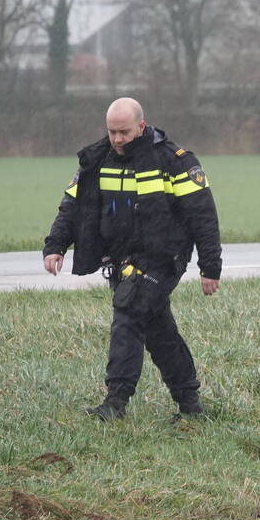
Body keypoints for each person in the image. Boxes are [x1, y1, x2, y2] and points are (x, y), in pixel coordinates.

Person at [43, 97, 222, 419]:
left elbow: (203, 217)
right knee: (158, 330)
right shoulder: (97, 159)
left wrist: (210, 267)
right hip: (122, 259)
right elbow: (73, 206)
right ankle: (190, 404)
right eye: (112, 132)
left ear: (141, 126)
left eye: (124, 132)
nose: (117, 139)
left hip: (163, 258)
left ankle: (116, 401)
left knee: (127, 316)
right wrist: (55, 245)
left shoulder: (175, 161)